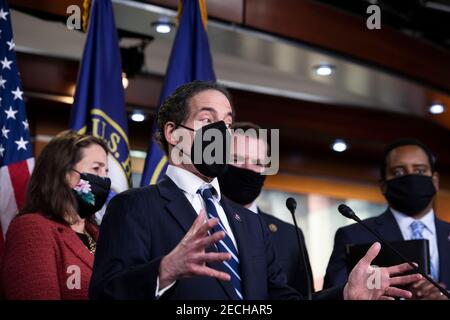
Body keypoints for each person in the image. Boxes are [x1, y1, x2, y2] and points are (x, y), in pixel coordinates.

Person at [90, 80, 420, 300]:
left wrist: (345, 294)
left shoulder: (247, 222)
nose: (222, 131)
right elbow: (105, 294)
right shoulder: (134, 207)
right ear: (175, 134)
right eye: (208, 120)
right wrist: (163, 272)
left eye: (228, 123)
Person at [324, 139, 450, 300]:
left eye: (419, 170)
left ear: (435, 181)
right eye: (398, 172)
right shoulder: (354, 235)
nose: (410, 177)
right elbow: (334, 293)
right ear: (383, 186)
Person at [1, 131, 111, 299]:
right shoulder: (31, 229)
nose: (104, 178)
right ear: (64, 173)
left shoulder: (99, 234)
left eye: (106, 170)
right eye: (96, 168)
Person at [219, 122, 314, 297]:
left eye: (257, 162)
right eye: (236, 159)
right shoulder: (197, 219)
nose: (248, 168)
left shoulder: (290, 236)